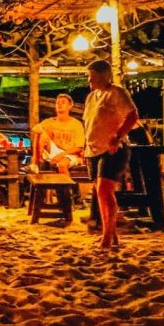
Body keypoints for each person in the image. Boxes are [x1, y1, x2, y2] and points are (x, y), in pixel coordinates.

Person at [82, 59, 139, 252]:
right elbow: (89, 123)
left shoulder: (117, 93)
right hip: (93, 149)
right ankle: (111, 232)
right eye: (89, 78)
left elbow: (133, 116)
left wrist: (118, 135)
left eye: (93, 77)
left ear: (104, 75)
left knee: (105, 191)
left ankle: (107, 235)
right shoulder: (91, 97)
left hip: (112, 148)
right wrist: (85, 147)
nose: (90, 81)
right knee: (99, 191)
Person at [36, 94, 87, 175]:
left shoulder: (76, 124)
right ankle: (35, 163)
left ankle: (68, 187)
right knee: (41, 132)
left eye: (63, 102)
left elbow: (79, 147)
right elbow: (36, 130)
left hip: (70, 154)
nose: (59, 104)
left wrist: (61, 155)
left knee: (62, 165)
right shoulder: (50, 122)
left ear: (70, 106)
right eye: (57, 103)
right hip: (53, 152)